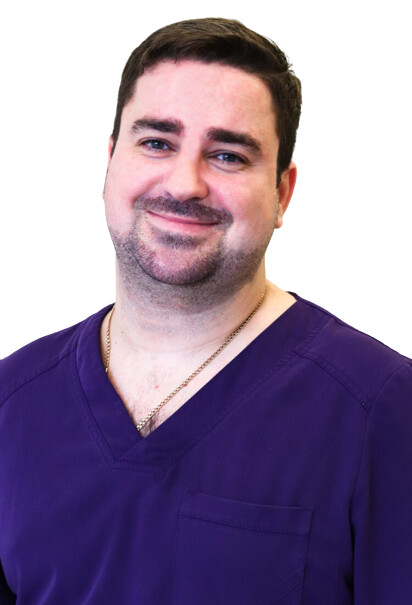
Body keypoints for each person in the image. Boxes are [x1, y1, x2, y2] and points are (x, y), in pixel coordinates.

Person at [0, 17, 411, 605]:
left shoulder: (382, 409)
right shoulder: (13, 400)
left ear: (282, 193)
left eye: (227, 155)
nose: (184, 183)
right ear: (111, 161)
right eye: (157, 143)